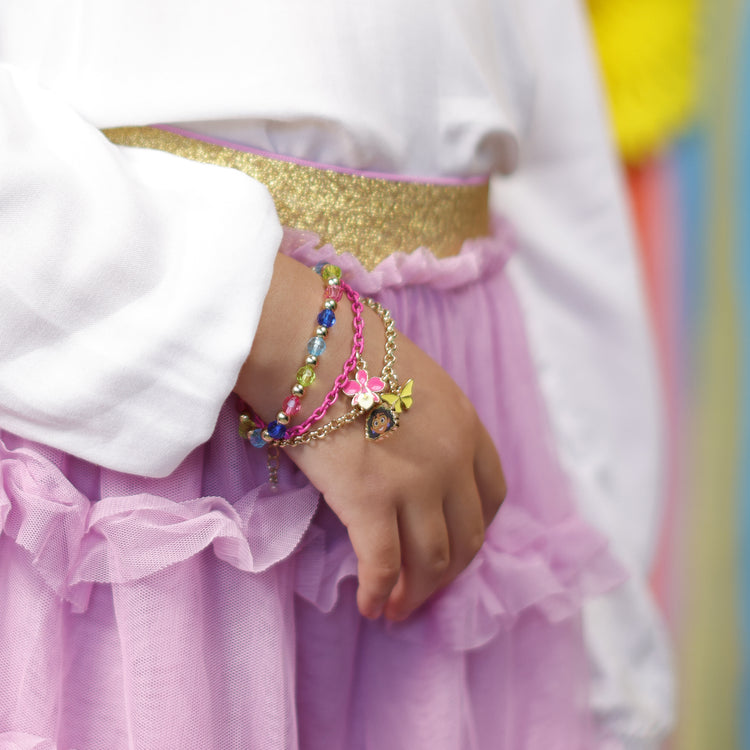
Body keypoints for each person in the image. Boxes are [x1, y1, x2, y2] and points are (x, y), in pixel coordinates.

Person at [0, 1, 672, 748]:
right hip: (123, 486)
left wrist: (617, 651)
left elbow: (550, 164)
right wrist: (266, 327)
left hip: (463, 470)